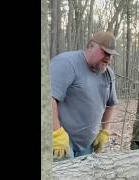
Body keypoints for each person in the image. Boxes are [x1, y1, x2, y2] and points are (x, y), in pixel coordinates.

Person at [51, 31, 119, 161]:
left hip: (87, 144)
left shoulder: (108, 74)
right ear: (91, 46)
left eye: (111, 55)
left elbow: (111, 105)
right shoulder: (66, 63)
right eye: (105, 52)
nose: (109, 58)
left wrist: (105, 131)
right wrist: (56, 133)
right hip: (60, 140)